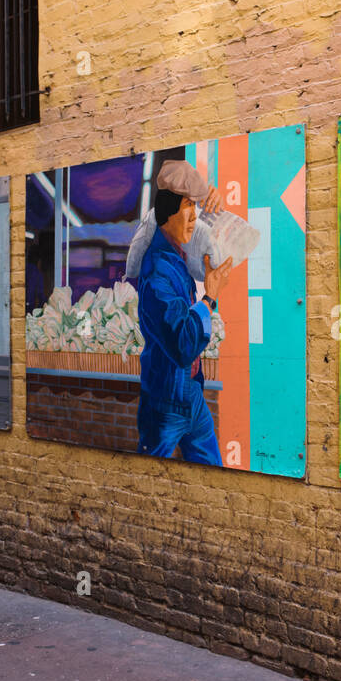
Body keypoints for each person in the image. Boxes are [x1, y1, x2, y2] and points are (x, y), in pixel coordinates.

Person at [134, 161, 233, 463]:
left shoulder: (179, 254)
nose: (193, 217)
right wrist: (210, 297)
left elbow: (220, 252)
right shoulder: (158, 271)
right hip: (166, 401)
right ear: (166, 212)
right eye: (186, 206)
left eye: (195, 207)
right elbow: (183, 344)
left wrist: (213, 203)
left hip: (190, 393)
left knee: (213, 475)